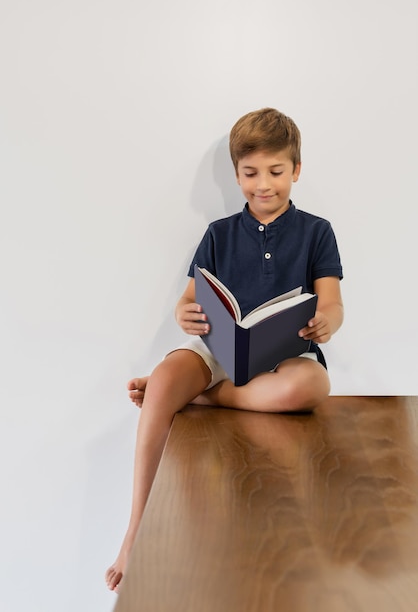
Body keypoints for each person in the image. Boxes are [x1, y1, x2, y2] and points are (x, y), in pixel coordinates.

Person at [105, 107, 344, 591]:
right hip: (219, 351)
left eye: (276, 172)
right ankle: (134, 530)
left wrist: (325, 323)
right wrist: (182, 313)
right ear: (236, 174)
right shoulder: (218, 233)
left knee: (313, 385)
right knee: (169, 376)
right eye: (251, 173)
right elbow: (191, 301)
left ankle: (202, 399)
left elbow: (333, 302)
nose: (264, 184)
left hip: (285, 355)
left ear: (296, 170)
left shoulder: (317, 230)